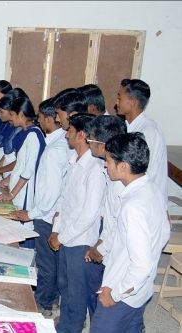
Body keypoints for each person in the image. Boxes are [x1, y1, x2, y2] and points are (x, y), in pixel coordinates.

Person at [90, 132, 170, 332]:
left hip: (123, 291)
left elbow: (140, 265)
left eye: (108, 161)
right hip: (139, 290)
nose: (105, 165)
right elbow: (165, 231)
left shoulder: (133, 206)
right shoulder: (152, 190)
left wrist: (115, 294)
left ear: (123, 166)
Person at [10, 98, 69, 317]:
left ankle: (42, 302)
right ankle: (50, 298)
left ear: (48, 119)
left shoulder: (55, 150)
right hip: (49, 211)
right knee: (51, 261)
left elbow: (51, 190)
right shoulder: (56, 143)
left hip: (47, 214)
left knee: (46, 263)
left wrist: (33, 212)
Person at [48, 113, 105, 333]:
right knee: (64, 285)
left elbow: (89, 215)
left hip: (80, 241)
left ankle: (70, 328)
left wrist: (61, 237)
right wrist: (56, 231)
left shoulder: (95, 170)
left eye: (69, 130)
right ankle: (66, 324)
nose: (66, 135)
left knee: (76, 293)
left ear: (81, 135)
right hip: (64, 236)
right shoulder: (74, 162)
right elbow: (64, 200)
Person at [0, 96, 46, 247]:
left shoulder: (33, 135)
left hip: (25, 193)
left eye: (12, 115)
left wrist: (12, 193)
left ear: (21, 115)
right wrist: (9, 180)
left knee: (23, 230)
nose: (10, 119)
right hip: (19, 190)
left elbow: (28, 170)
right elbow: (20, 164)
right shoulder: (27, 132)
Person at [115, 78, 168, 209]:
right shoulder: (128, 127)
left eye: (119, 98)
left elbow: (145, 173)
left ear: (132, 102)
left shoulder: (148, 131)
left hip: (143, 204)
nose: (116, 103)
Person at [83, 115, 127, 266]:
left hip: (117, 256)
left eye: (90, 140)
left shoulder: (120, 182)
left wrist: (101, 249)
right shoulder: (109, 171)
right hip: (104, 244)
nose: (88, 143)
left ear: (102, 146)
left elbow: (117, 226)